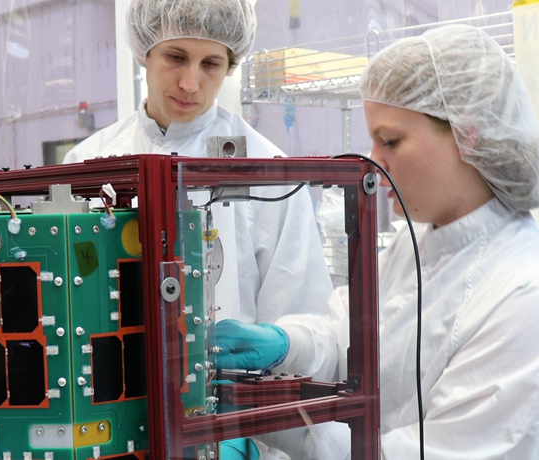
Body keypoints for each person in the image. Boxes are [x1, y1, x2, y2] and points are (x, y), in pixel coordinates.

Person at [220, 24, 539, 459]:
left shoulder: (522, 293)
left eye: (390, 140)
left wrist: (283, 430)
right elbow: (350, 337)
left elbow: (429, 452)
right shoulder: (417, 243)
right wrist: (285, 344)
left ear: (467, 136)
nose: (374, 160)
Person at [64, 1, 338, 458]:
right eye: (176, 57)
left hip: (233, 428)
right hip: (110, 427)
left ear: (230, 66)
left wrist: (249, 437)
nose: (190, 83)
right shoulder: (88, 164)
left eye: (210, 63)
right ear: (144, 51)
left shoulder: (269, 172)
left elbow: (303, 326)